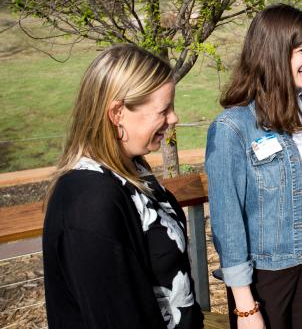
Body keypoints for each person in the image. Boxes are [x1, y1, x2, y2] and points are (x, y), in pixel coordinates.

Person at [205, 3, 302, 329]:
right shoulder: (233, 127)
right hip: (266, 269)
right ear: (273, 53)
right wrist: (245, 307)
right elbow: (228, 223)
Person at [43, 44, 207, 328]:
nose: (174, 118)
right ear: (117, 113)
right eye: (164, 109)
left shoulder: (133, 168)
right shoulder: (90, 202)